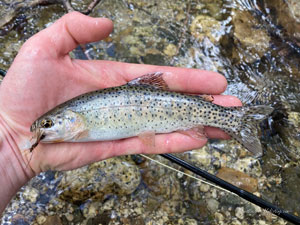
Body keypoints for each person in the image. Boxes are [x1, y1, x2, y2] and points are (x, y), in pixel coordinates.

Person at [0, 12, 241, 214]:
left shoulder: (79, 118)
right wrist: (11, 148)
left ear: (69, 117)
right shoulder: (70, 122)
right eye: (47, 124)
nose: (44, 129)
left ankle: (235, 120)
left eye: (49, 123)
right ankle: (234, 120)